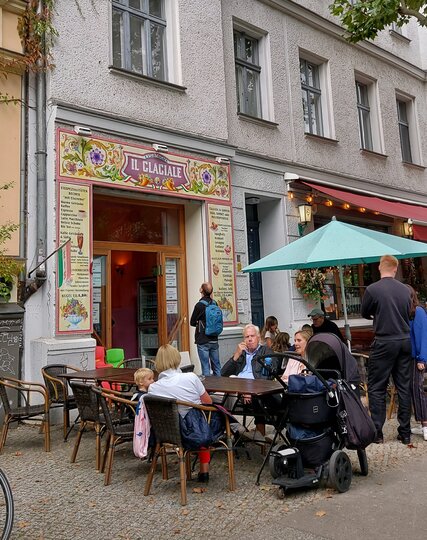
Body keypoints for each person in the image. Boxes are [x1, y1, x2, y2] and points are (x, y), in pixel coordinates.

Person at [361, 255, 412, 444]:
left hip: (384, 341)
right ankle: (405, 433)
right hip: (404, 339)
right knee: (404, 387)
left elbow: (365, 312)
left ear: (380, 267)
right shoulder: (405, 290)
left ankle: (377, 432)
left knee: (376, 387)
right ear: (395, 269)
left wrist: (379, 313)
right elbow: (408, 312)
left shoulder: (373, 289)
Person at [148, 344, 213, 482]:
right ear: (177, 358)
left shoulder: (153, 388)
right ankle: (204, 471)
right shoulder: (191, 377)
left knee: (199, 420)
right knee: (205, 419)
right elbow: (208, 402)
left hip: (167, 434)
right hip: (195, 433)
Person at [221, 324, 276, 441]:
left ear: (258, 337)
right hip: (237, 387)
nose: (250, 339)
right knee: (217, 397)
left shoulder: (266, 351)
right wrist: (236, 355)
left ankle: (234, 428)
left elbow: (268, 376)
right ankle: (232, 427)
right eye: (247, 337)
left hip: (254, 390)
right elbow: (223, 373)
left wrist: (249, 389)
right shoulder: (242, 352)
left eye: (252, 336)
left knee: (228, 398)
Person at [407, 286, 427, 441]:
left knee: (418, 390)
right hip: (408, 358)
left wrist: (422, 359)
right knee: (413, 391)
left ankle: (425, 425)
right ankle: (422, 424)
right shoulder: (407, 312)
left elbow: (422, 337)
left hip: (416, 358)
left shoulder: (418, 312)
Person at [190, 282, 221, 376]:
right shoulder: (215, 303)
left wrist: (200, 324)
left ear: (201, 290)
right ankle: (220, 387)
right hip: (214, 339)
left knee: (205, 367)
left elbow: (192, 322)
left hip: (202, 339)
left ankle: (208, 388)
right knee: (216, 366)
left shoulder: (199, 305)